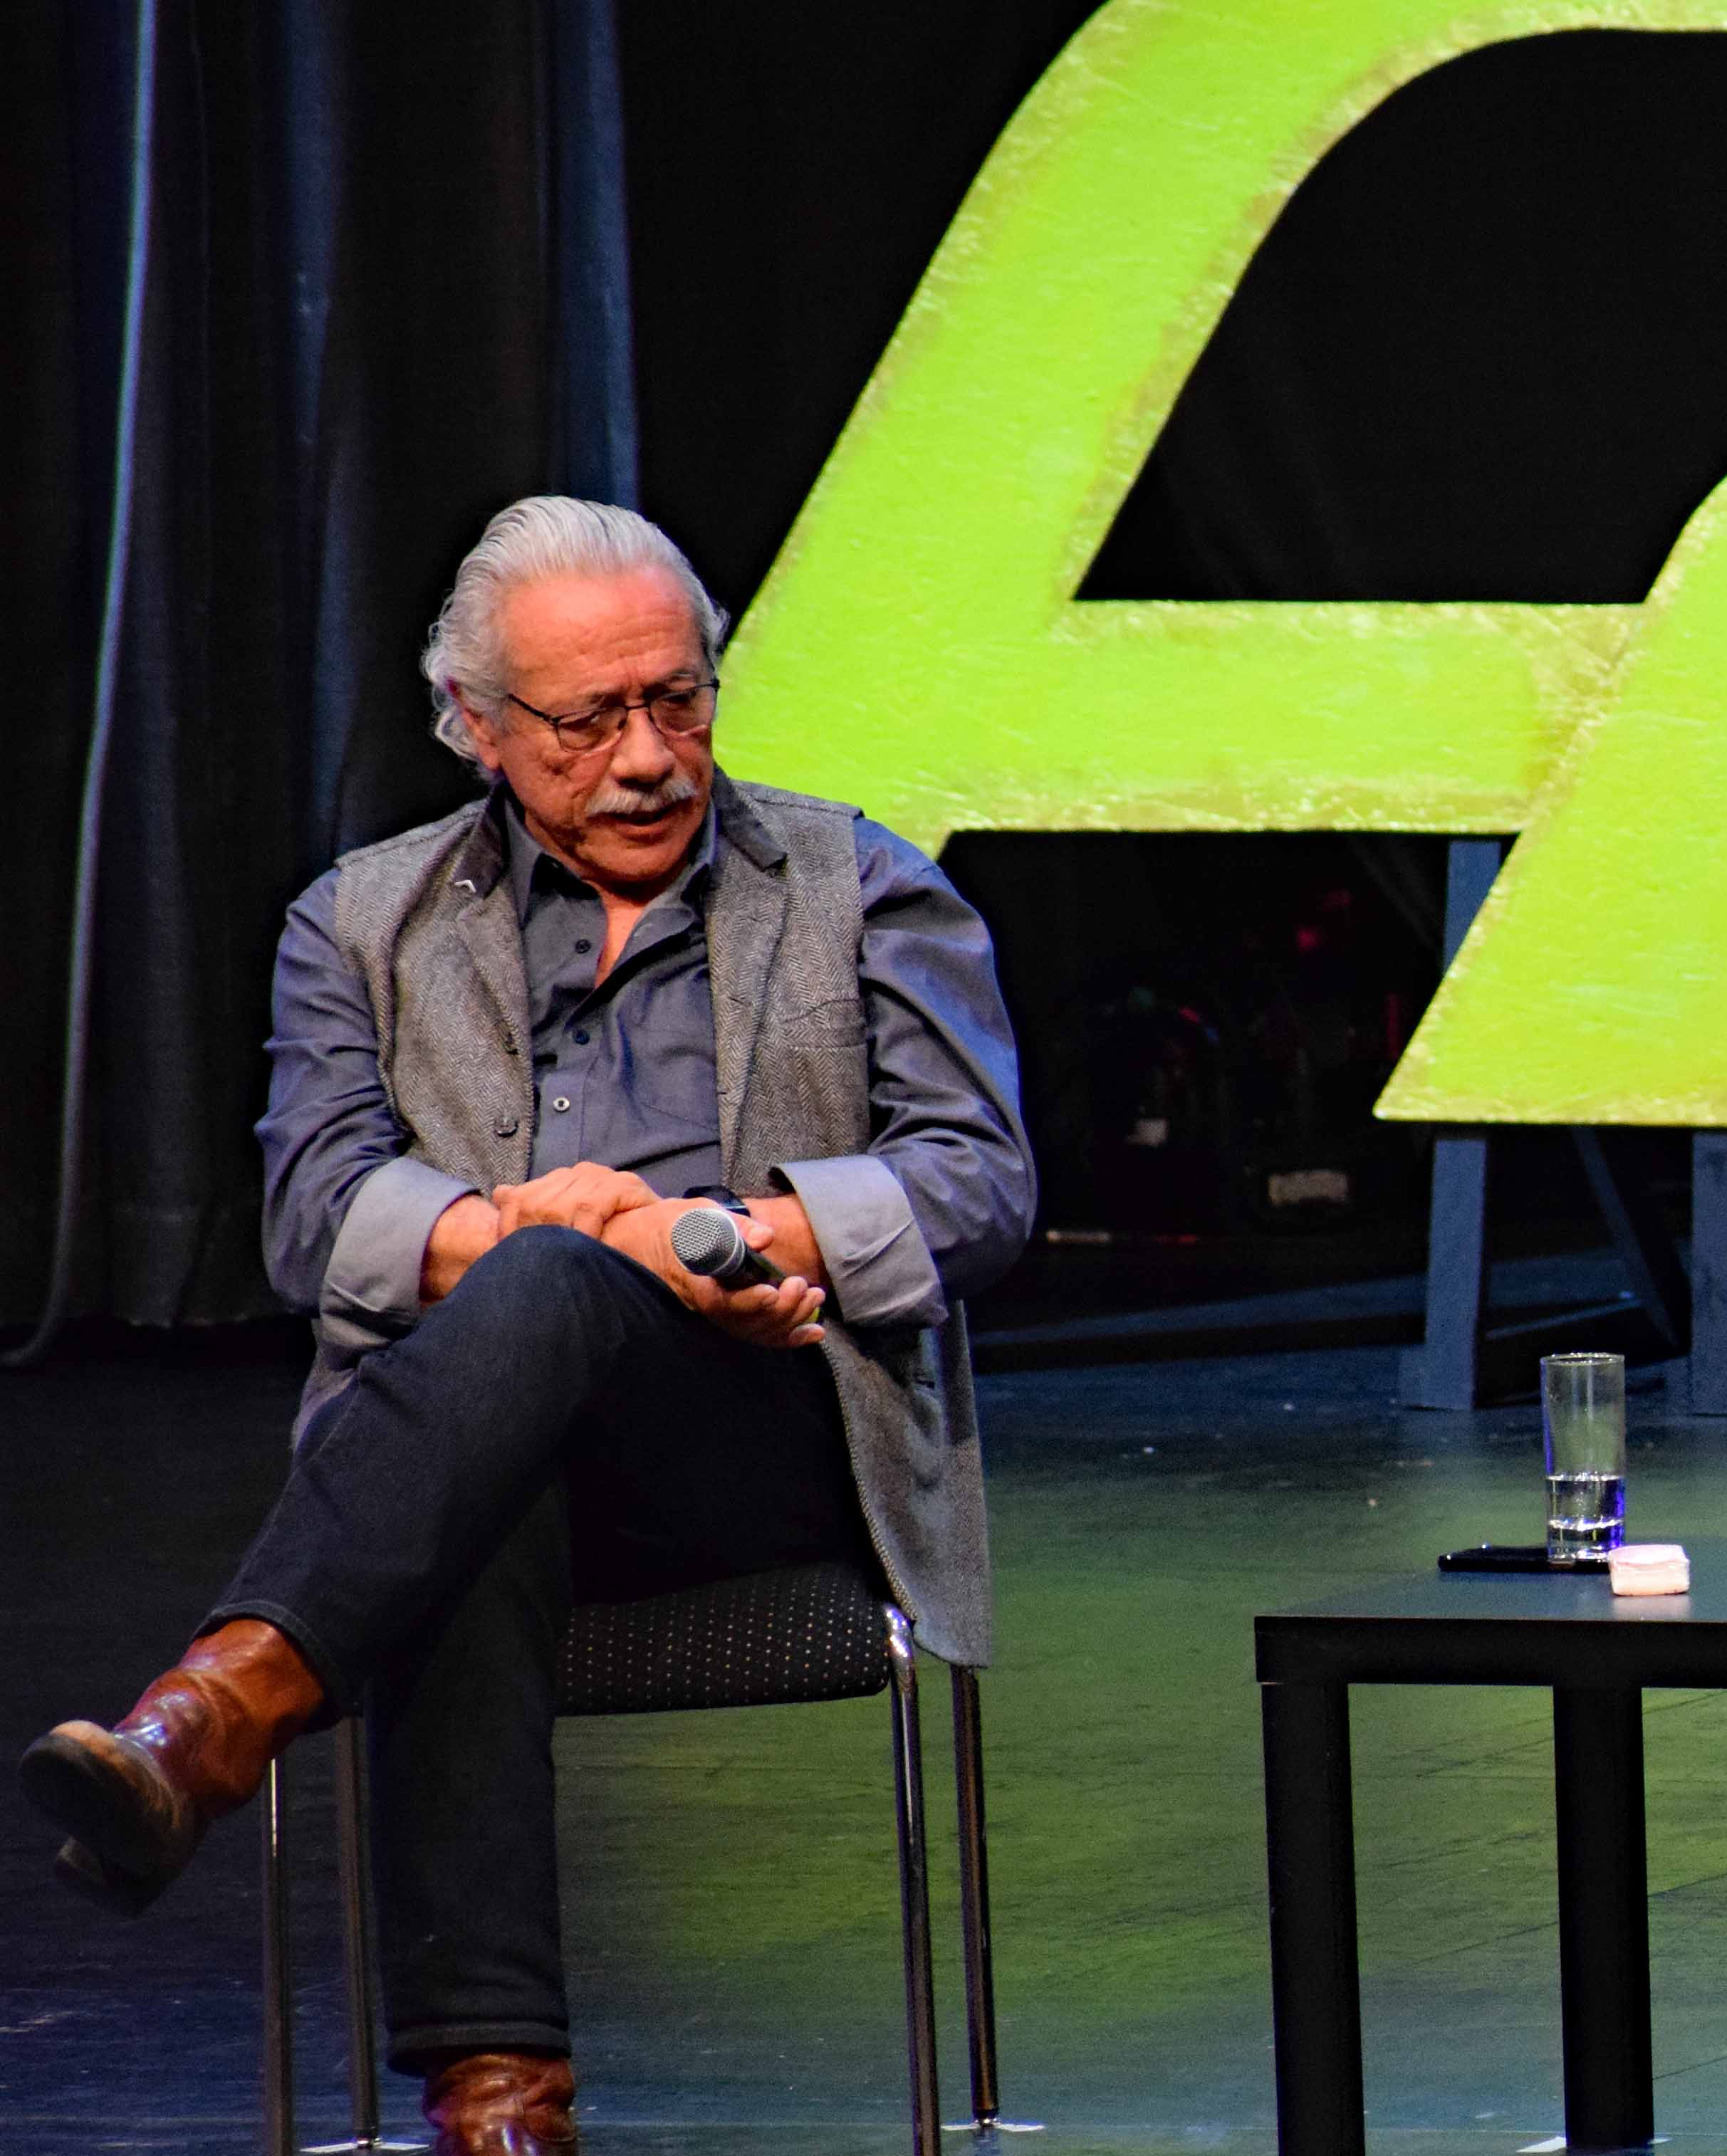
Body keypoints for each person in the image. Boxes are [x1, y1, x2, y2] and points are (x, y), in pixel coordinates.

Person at [17, 498, 1033, 2155]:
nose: (646, 757)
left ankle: (213, 1716)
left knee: (542, 1304)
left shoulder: (857, 884)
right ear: (474, 725)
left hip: (767, 1429)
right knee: (489, 1461)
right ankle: (502, 2102)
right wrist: (535, 1234)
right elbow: (310, 1212)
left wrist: (703, 1237)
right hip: (483, 1450)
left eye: (678, 700)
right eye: (586, 719)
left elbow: (978, 1178)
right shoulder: (360, 921)